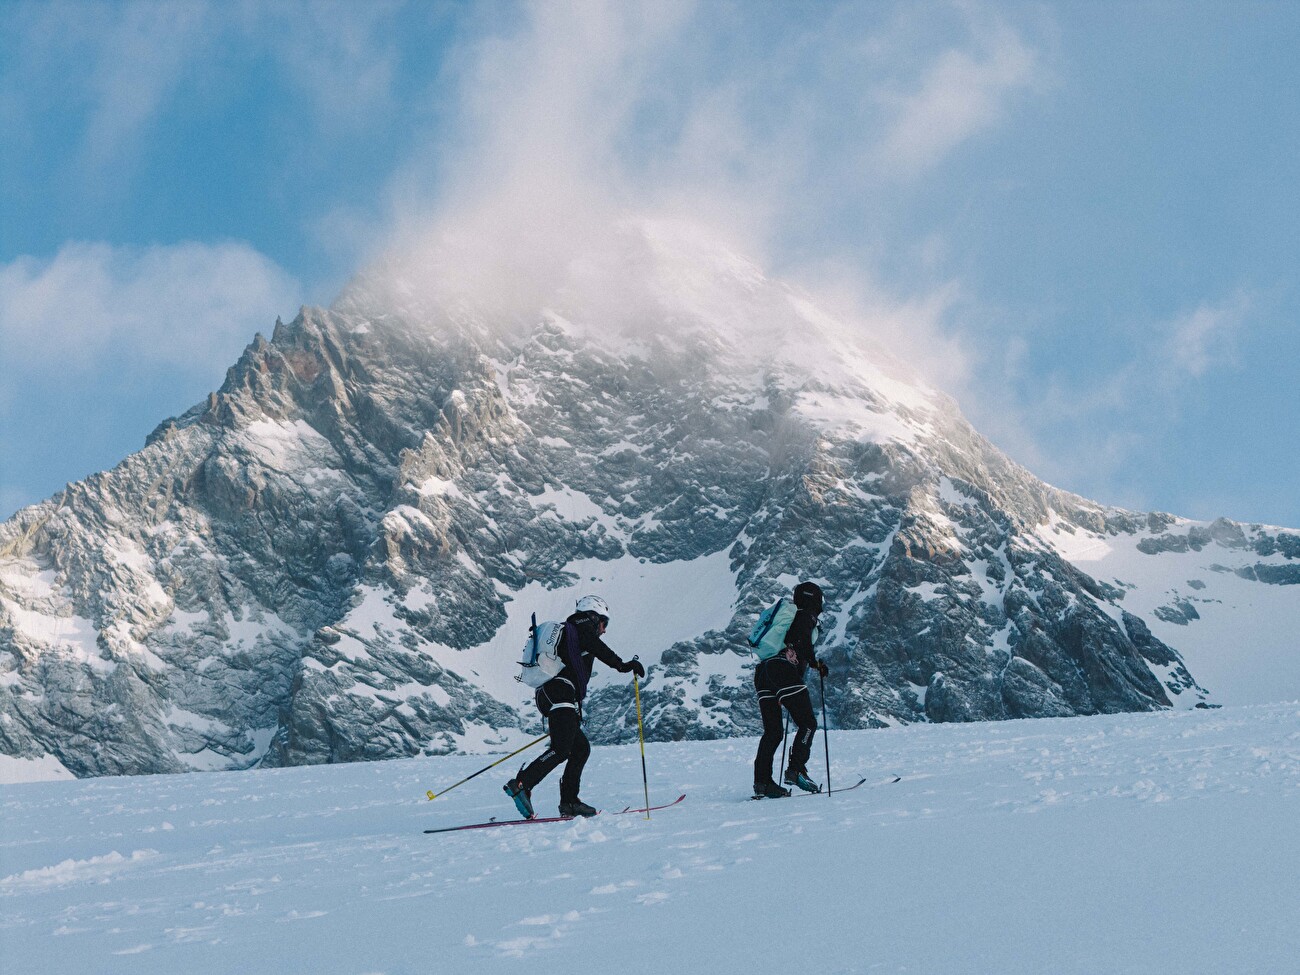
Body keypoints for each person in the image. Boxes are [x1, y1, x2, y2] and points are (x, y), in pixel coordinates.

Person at [504, 595, 645, 818]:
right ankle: (522, 784)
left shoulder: (571, 632)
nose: (604, 630)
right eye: (604, 623)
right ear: (593, 616)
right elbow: (597, 646)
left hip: (551, 694)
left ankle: (569, 802)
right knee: (561, 749)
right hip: (560, 691)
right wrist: (623, 666)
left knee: (580, 748)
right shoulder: (580, 625)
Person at [753, 581, 828, 798]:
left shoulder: (788, 616)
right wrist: (816, 664)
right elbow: (803, 641)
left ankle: (762, 782)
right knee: (807, 723)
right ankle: (796, 770)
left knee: (773, 732)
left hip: (763, 673)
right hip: (782, 671)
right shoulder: (806, 615)